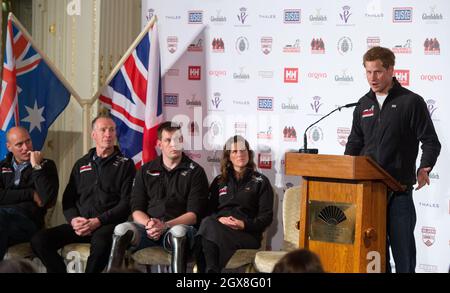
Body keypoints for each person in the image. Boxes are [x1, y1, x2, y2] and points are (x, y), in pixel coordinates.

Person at [345, 46, 441, 273]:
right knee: (374, 256)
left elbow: (430, 141)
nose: (372, 78)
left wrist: (424, 167)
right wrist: (346, 170)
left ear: (390, 70)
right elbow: (354, 144)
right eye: (368, 72)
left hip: (399, 192)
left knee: (403, 254)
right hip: (369, 193)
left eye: (377, 72)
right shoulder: (362, 105)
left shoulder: (411, 102)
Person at [31, 114, 135, 273]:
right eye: (103, 130)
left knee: (100, 244)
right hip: (80, 225)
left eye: (112, 130)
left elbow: (126, 203)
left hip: (106, 225)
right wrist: (74, 220)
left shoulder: (126, 164)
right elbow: (68, 200)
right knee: (39, 240)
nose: (108, 134)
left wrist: (98, 221)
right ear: (94, 135)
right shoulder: (81, 164)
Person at [108, 121, 209, 273]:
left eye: (177, 139)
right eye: (168, 140)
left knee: (178, 233)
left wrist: (165, 225)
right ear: (159, 144)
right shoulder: (145, 170)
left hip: (177, 228)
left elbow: (193, 215)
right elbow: (136, 208)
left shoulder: (196, 172)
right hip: (148, 230)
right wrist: (149, 224)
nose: (173, 144)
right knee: (121, 230)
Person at [195, 135, 274, 273]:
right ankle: (211, 270)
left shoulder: (261, 181)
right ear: (228, 157)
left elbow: (266, 217)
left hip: (247, 234)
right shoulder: (219, 181)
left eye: (243, 150)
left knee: (206, 231)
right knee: (208, 224)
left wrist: (243, 224)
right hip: (218, 229)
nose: (240, 154)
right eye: (234, 151)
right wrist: (219, 219)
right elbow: (208, 212)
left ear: (249, 153)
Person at [0, 127, 58, 260]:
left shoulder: (46, 166)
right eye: (19, 144)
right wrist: (30, 194)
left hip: (28, 222)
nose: (26, 148)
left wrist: (36, 167)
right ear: (9, 147)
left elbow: (46, 199)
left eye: (28, 141)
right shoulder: (2, 166)